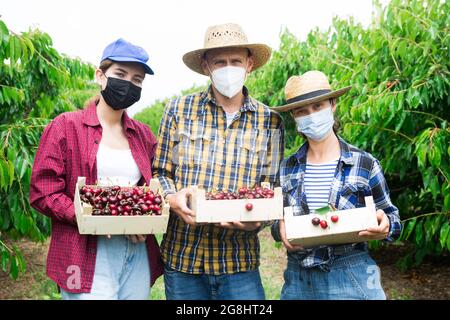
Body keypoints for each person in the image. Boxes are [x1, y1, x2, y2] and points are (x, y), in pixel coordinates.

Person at [152, 23, 284, 300]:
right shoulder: (178, 111)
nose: (228, 68)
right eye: (219, 62)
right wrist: (172, 197)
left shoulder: (269, 120)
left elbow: (271, 187)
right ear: (206, 66)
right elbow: (161, 172)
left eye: (235, 61)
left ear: (249, 64)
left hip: (238, 261)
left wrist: (257, 220)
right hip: (184, 258)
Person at [30, 38, 163, 300]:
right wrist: (90, 217)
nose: (128, 84)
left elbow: (150, 186)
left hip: (134, 251)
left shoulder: (143, 135)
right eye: (120, 74)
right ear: (100, 76)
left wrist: (143, 218)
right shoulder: (65, 127)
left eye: (137, 80)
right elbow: (43, 191)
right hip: (85, 251)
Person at [271, 70, 402, 300]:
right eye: (302, 111)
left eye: (318, 106)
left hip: (350, 273)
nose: (311, 116)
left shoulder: (364, 163)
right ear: (294, 117)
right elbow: (276, 219)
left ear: (333, 105)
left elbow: (392, 218)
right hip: (299, 279)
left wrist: (385, 225)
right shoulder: (287, 168)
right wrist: (279, 227)